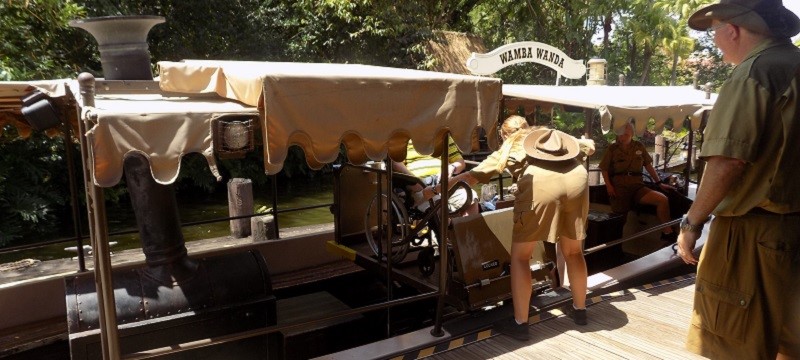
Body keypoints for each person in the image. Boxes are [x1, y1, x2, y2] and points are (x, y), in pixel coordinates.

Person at [677, 1, 800, 359]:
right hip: (791, 232)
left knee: (733, 344)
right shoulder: (793, 65)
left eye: (715, 31)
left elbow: (727, 161)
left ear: (733, 29)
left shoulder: (753, 73)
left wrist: (692, 223)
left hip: (750, 236)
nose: (715, 41)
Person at [422, 115, 595, 341]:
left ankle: (520, 323)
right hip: (577, 179)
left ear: (504, 135)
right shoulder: (550, 135)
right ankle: (580, 310)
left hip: (539, 184)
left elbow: (473, 176)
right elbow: (589, 147)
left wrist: (436, 190)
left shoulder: (510, 145)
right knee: (573, 252)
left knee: (521, 258)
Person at [598, 121, 677, 243]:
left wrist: (659, 183)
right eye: (620, 134)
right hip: (620, 187)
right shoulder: (612, 149)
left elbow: (649, 166)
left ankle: (667, 232)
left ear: (631, 134)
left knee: (662, 199)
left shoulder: (639, 146)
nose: (621, 137)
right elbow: (604, 169)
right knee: (620, 219)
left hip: (637, 186)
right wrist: (609, 186)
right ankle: (614, 245)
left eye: (625, 134)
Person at [392, 135, 479, 216]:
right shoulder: (402, 136)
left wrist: (452, 167)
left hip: (444, 182)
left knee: (470, 197)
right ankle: (448, 229)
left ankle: (467, 231)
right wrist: (416, 181)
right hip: (418, 185)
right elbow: (396, 163)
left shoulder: (442, 135)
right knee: (438, 205)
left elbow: (460, 162)